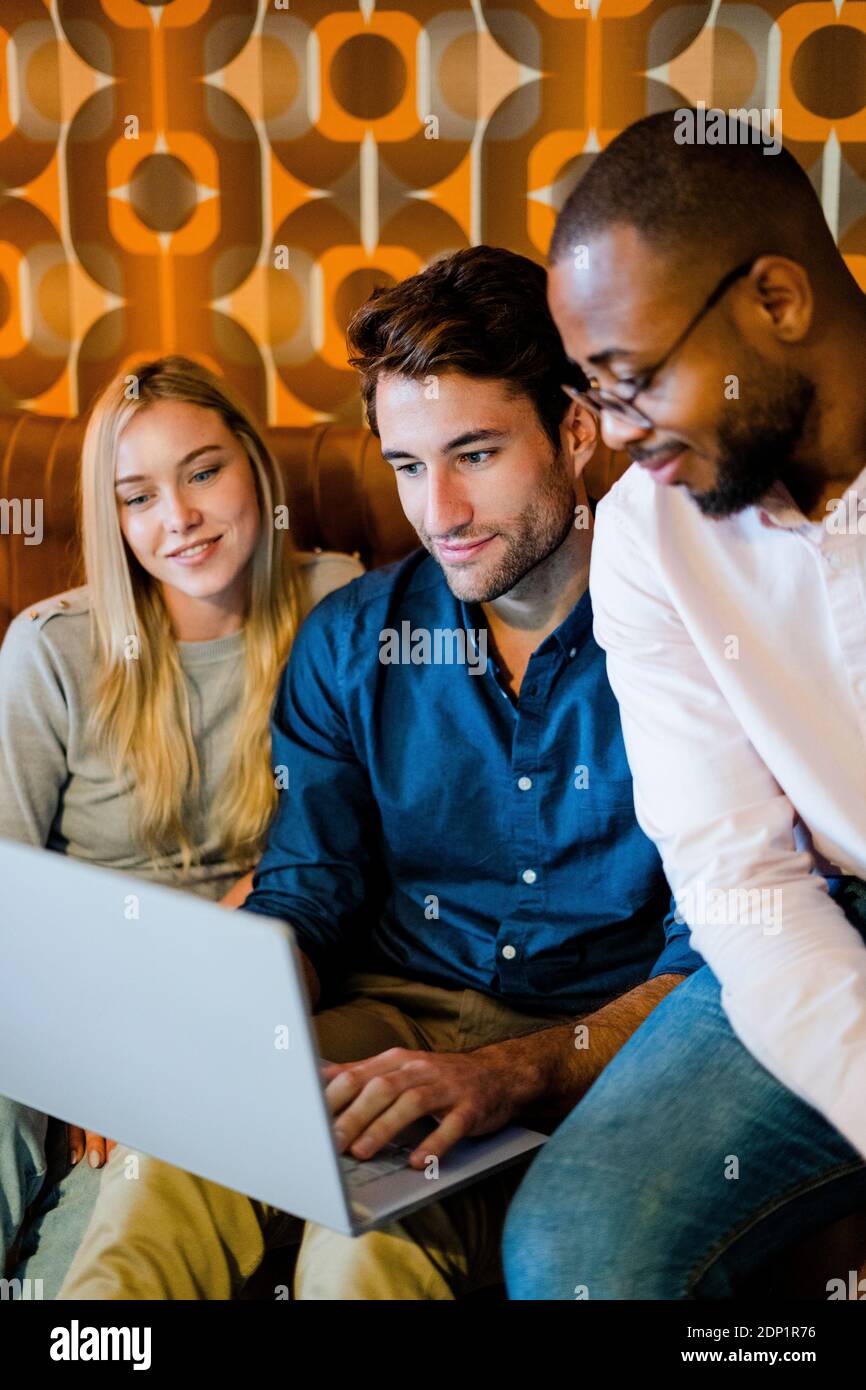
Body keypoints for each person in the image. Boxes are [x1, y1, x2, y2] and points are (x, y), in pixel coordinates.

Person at [54, 245, 703, 1302]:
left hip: (592, 1047)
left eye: (475, 453)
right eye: (405, 466)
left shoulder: (693, 643)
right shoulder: (352, 641)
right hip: (386, 1013)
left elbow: (714, 961)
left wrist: (508, 1072)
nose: (437, 508)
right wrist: (197, 1019)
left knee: (364, 1250)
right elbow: (310, 888)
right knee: (160, 1162)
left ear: (574, 429)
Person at [502, 109, 866, 1299]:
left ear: (774, 300)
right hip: (810, 919)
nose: (613, 435)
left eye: (634, 379)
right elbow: (736, 879)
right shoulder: (649, 537)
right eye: (591, 390)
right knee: (571, 1261)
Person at [0, 355, 363, 1297]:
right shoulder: (54, 647)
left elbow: (334, 853)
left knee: (85, 1266)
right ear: (113, 516)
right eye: (138, 496)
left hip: (242, 1004)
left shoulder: (339, 609)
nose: (180, 519)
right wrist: (93, 1046)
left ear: (253, 462)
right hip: (66, 1002)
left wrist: (157, 1038)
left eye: (203, 472)